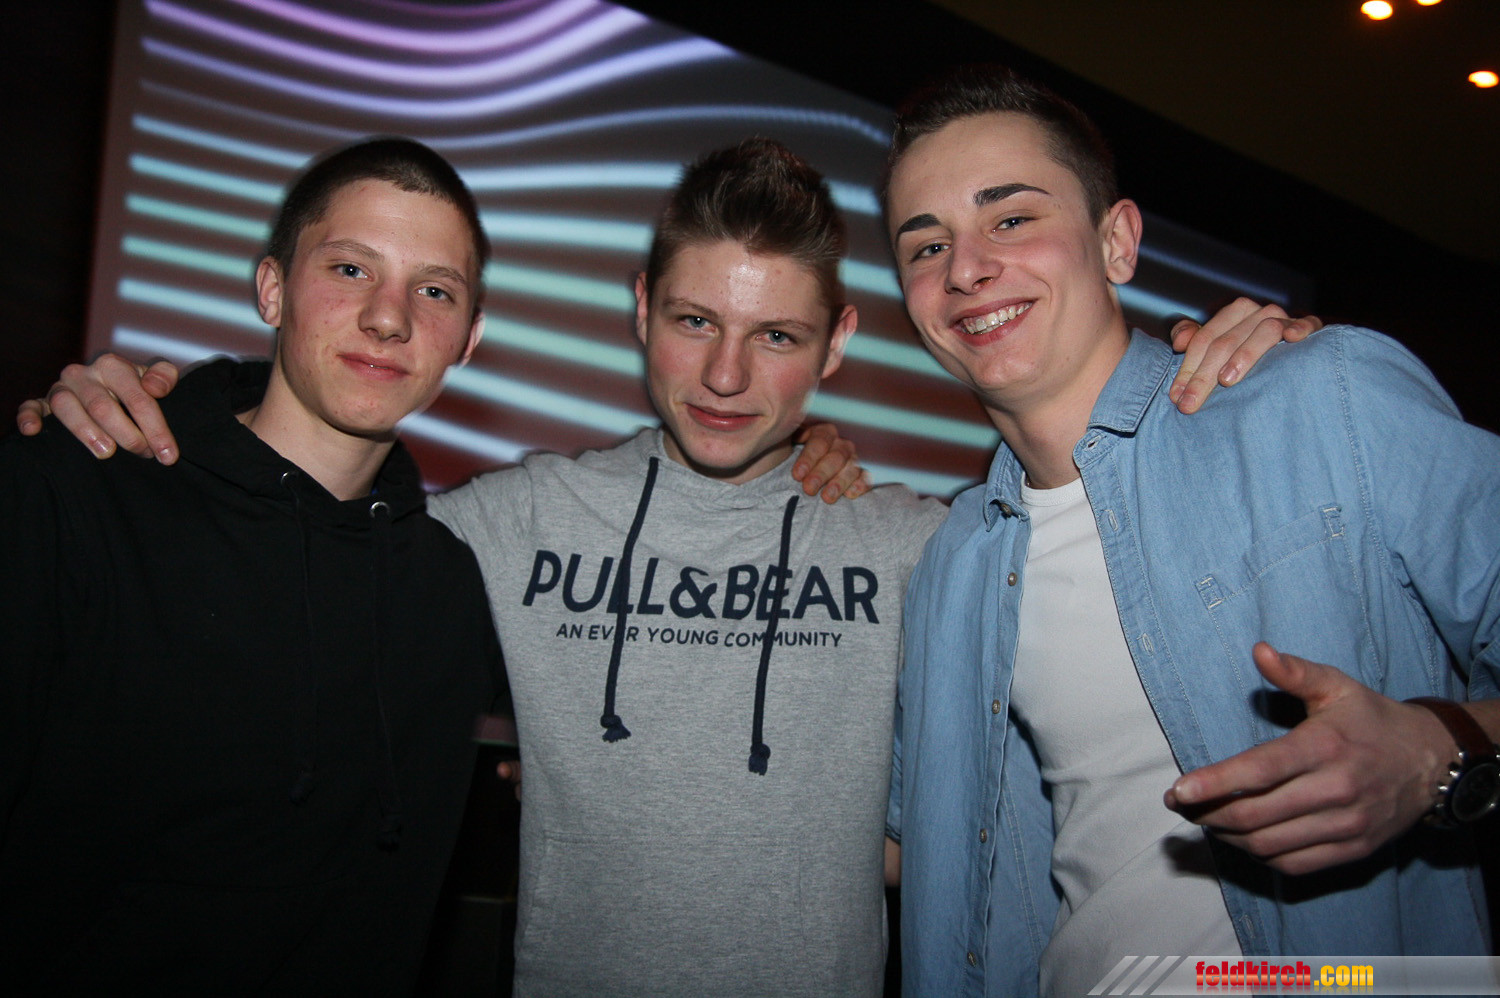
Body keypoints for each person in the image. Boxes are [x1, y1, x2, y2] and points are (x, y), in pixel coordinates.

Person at [18, 138, 1310, 995]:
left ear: (838, 344)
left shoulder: (925, 543)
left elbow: (1123, 661)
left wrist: (1251, 379)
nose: (729, 376)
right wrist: (157, 405)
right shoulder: (494, 528)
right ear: (641, 311)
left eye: (777, 337)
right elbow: (297, 514)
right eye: (695, 321)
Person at [883, 65, 1500, 997]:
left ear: (1116, 242)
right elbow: (922, 852)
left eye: (1010, 218)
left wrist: (1434, 752)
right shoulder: (955, 560)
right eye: (927, 246)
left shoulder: (1320, 399)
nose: (965, 269)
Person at [0, 138, 513, 994]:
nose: (389, 318)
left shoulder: (453, 587)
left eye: (434, 290)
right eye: (350, 269)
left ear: (468, 336)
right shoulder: (78, 491)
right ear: (273, 289)